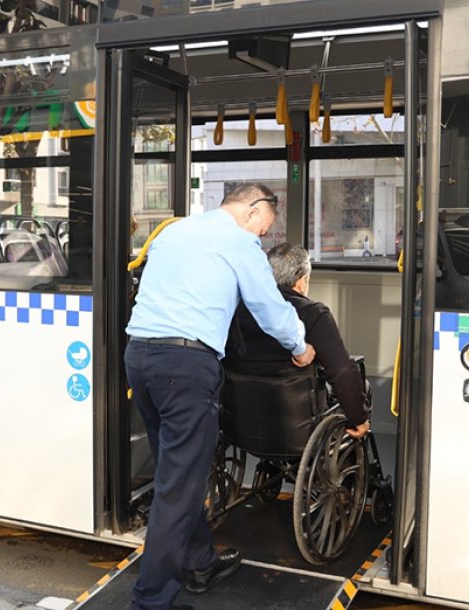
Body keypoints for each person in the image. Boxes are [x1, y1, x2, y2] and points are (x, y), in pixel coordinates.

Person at [124, 184, 315, 610]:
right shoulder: (239, 243)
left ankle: (199, 561)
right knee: (178, 490)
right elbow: (269, 309)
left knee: (177, 474)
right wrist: (300, 346)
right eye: (263, 228)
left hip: (140, 356)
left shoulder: (175, 232)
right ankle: (151, 602)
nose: (262, 237)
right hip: (185, 366)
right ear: (252, 211)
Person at [226, 242, 370, 438]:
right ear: (302, 282)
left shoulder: (239, 309)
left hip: (242, 424)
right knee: (361, 389)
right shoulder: (314, 314)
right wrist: (359, 418)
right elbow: (341, 372)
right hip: (297, 430)